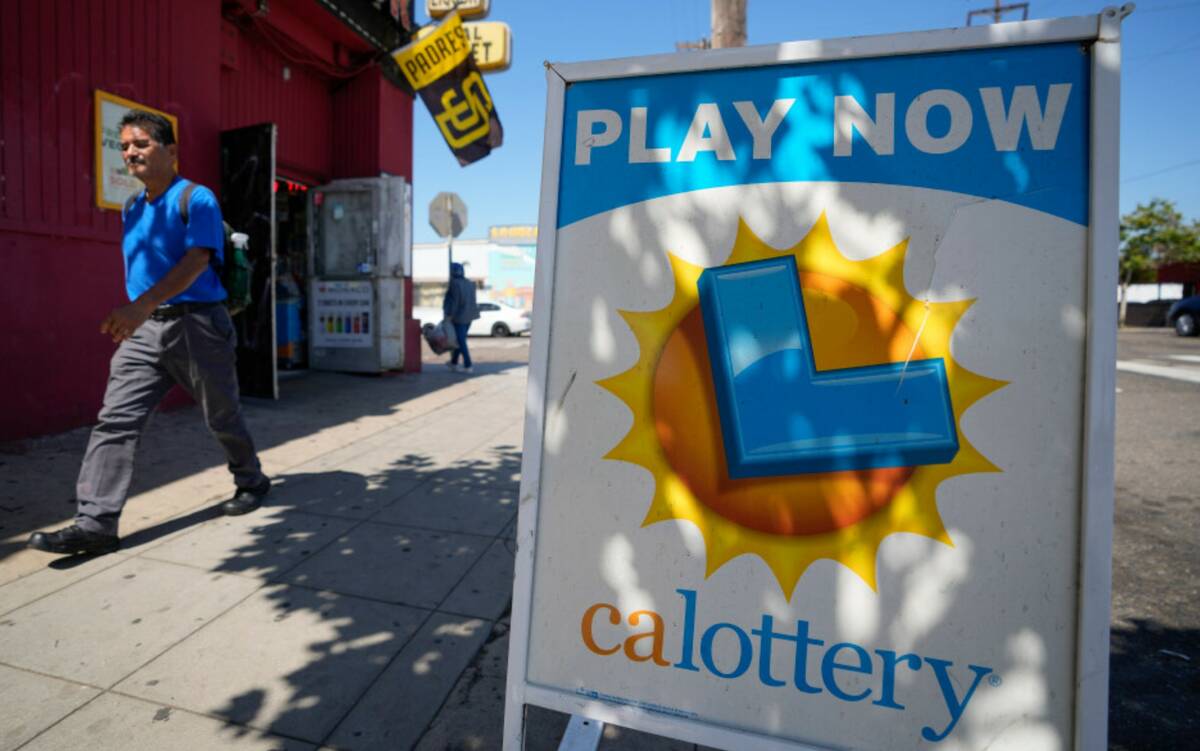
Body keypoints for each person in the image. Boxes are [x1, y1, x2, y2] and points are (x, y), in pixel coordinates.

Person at [28, 110, 270, 557]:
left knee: (221, 415)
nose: (130, 152)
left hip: (198, 325)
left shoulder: (196, 199)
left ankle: (251, 480)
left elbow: (198, 259)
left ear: (171, 151)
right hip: (144, 332)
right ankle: (96, 523)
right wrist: (137, 314)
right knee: (115, 419)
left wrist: (140, 306)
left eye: (140, 143)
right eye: (123, 146)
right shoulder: (133, 206)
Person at [443, 262, 480, 373]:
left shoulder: (454, 283)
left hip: (459, 317)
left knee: (461, 341)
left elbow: (455, 301)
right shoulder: (470, 283)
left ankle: (468, 365)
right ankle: (454, 363)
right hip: (470, 316)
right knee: (460, 340)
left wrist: (449, 316)